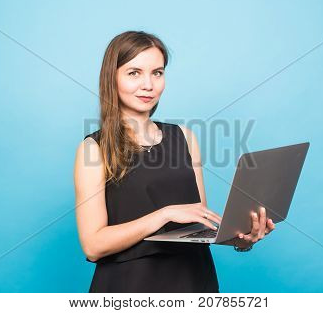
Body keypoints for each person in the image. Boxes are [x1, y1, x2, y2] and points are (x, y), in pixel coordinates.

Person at [73, 31, 276, 293]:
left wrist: (241, 239)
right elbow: (93, 244)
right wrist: (164, 214)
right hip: (130, 287)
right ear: (112, 77)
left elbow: (198, 224)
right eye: (134, 72)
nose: (148, 84)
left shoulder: (185, 137)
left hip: (195, 280)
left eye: (157, 72)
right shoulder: (94, 149)